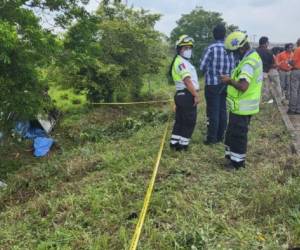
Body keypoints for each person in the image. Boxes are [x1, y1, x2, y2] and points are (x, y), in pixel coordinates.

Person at [220, 31, 263, 170]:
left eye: (233, 52)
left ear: (240, 48)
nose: (233, 55)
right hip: (238, 106)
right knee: (232, 132)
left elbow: (243, 86)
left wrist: (229, 81)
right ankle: (231, 158)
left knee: (238, 134)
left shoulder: (248, 63)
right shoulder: (249, 58)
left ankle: (237, 163)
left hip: (243, 106)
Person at [200, 24, 235, 145]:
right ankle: (220, 136)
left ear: (214, 35)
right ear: (225, 34)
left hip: (212, 84)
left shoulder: (211, 48)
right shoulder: (229, 49)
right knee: (222, 110)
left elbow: (202, 66)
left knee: (212, 111)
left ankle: (211, 139)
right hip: (226, 83)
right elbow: (234, 67)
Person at [169, 35, 200, 151]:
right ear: (179, 49)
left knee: (180, 121)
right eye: (185, 48)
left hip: (181, 95)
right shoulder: (181, 63)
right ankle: (182, 146)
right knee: (189, 121)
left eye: (189, 48)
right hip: (187, 95)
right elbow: (187, 81)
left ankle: (174, 143)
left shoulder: (181, 61)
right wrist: (196, 95)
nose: (188, 50)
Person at [256, 36, 275, 103]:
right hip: (264, 73)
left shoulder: (254, 51)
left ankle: (257, 102)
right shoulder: (269, 52)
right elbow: (273, 64)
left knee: (256, 89)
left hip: (255, 73)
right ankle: (262, 103)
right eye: (268, 42)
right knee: (264, 89)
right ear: (265, 43)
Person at [288, 39, 300, 114]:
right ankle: (298, 109)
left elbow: (294, 62)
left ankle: (292, 109)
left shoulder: (298, 49)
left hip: (297, 71)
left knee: (294, 90)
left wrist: (290, 62)